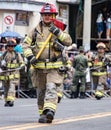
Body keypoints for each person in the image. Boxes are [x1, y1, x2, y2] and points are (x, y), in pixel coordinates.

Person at [22, 3, 72, 123]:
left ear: (54, 15)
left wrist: (58, 33)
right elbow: (25, 45)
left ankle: (50, 111)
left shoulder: (58, 29)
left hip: (54, 68)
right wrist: (30, 56)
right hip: (39, 68)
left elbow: (68, 41)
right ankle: (43, 114)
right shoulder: (35, 31)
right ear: (42, 16)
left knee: (51, 88)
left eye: (50, 14)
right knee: (41, 94)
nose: (47, 17)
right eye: (45, 14)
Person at [0, 39, 25, 106]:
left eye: (12, 46)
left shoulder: (17, 54)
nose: (11, 47)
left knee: (12, 87)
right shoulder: (4, 54)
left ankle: (11, 100)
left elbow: (22, 62)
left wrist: (22, 66)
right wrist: (2, 66)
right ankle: (6, 101)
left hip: (14, 73)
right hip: (5, 74)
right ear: (7, 46)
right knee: (6, 88)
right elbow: (0, 61)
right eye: (9, 46)